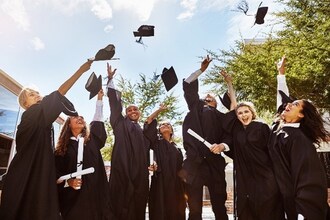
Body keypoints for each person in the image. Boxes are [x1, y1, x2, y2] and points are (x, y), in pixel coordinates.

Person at [0, 60, 93, 220]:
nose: (37, 95)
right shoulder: (32, 114)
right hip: (26, 177)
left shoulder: (42, 121)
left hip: (33, 178)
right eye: (31, 94)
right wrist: (80, 71)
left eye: (37, 93)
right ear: (25, 103)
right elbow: (58, 94)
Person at [268, 55, 329, 219]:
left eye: (295, 105)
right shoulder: (278, 127)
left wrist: (303, 212)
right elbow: (282, 99)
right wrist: (281, 75)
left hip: (300, 206)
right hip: (282, 198)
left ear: (301, 115)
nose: (288, 105)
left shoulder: (299, 139)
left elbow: (308, 179)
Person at [220, 70, 284, 220]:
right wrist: (229, 84)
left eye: (246, 111)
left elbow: (273, 150)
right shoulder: (237, 131)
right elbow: (233, 107)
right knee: (246, 209)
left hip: (265, 176)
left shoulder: (261, 126)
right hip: (245, 177)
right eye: (240, 113)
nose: (243, 115)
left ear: (252, 112)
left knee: (267, 209)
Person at [180, 55, 231, 220]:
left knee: (219, 206)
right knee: (194, 208)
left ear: (216, 103)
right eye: (205, 97)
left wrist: (222, 145)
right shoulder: (195, 107)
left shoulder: (222, 117)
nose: (208, 98)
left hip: (214, 163)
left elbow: (229, 137)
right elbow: (188, 84)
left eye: (212, 98)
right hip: (193, 164)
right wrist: (201, 70)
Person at [54, 89, 111, 220]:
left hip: (95, 194)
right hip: (72, 199)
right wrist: (69, 181)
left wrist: (99, 100)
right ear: (68, 125)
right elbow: (55, 174)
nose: (80, 118)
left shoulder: (92, 141)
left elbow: (97, 121)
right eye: (75, 117)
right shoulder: (61, 149)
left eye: (82, 117)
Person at [106, 63, 150, 220]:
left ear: (139, 113)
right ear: (125, 113)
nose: (132, 111)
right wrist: (110, 79)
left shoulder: (142, 130)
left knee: (138, 203)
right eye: (129, 110)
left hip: (139, 173)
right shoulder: (119, 122)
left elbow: (149, 149)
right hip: (122, 168)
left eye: (135, 109)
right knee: (120, 202)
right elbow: (114, 104)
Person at [144, 104, 186, 220]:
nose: (165, 125)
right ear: (158, 130)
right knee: (160, 209)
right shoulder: (156, 142)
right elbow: (149, 121)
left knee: (176, 209)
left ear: (171, 130)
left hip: (176, 184)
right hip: (160, 182)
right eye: (162, 124)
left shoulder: (177, 148)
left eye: (168, 124)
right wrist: (159, 110)